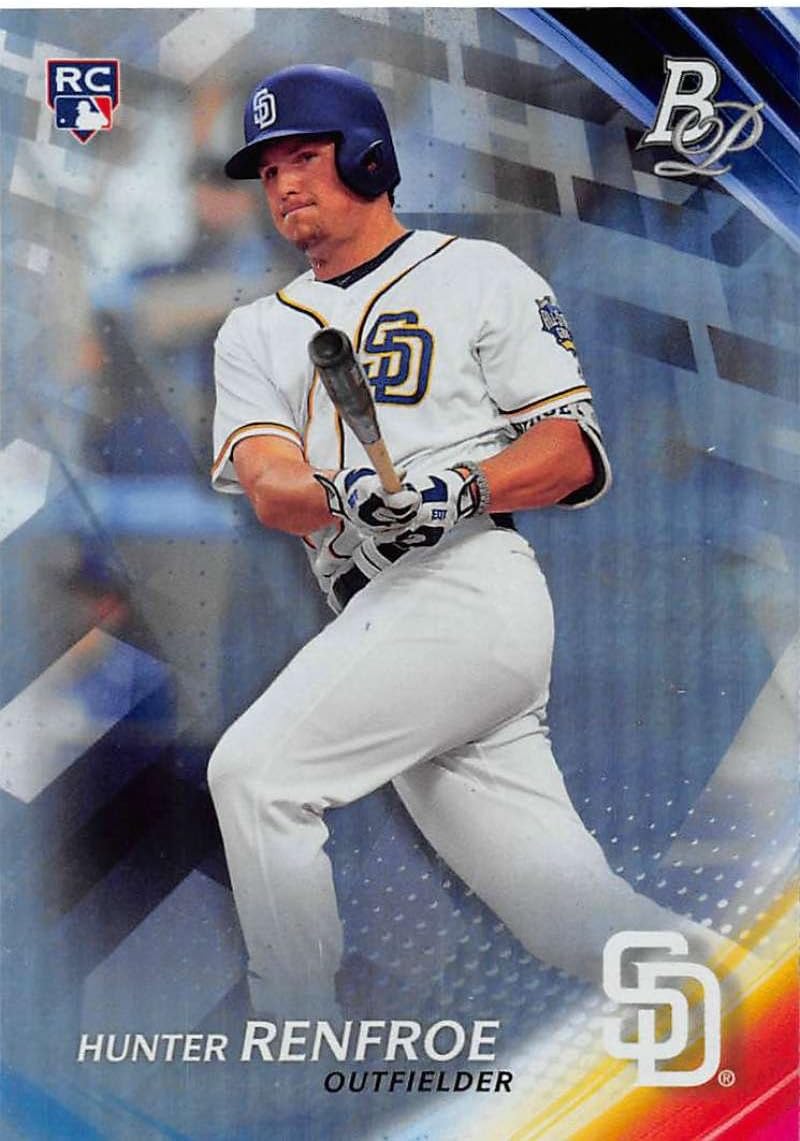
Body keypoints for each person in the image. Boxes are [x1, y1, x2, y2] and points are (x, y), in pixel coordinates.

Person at [208, 65, 738, 1018]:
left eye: (305, 156)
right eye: (269, 169)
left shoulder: (479, 273)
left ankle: (294, 1040)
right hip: (380, 612)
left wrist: (462, 486)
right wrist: (349, 493)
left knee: (255, 776)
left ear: (368, 158)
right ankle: (750, 1007)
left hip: (465, 584)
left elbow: (570, 449)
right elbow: (271, 487)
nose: (284, 183)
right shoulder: (253, 331)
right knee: (574, 922)